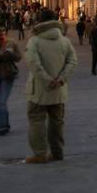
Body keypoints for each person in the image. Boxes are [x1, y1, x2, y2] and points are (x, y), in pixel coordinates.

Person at [24, 10, 77, 164]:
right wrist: (61, 79)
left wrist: (47, 81)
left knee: (36, 121)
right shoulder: (64, 40)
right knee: (57, 122)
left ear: (39, 21)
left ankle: (40, 153)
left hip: (39, 91)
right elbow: (72, 61)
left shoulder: (34, 40)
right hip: (59, 90)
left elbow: (33, 64)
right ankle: (57, 152)